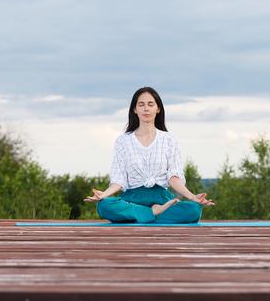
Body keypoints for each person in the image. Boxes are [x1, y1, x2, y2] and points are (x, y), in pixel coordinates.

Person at [84, 86, 214, 223]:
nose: (146, 108)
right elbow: (119, 179)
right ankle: (151, 213)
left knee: (194, 209)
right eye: (141, 104)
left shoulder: (169, 140)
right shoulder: (123, 141)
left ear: (158, 109)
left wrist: (193, 197)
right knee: (104, 206)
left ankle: (138, 216)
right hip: (132, 198)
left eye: (150, 104)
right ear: (135, 109)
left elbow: (173, 177)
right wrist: (103, 194)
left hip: (162, 199)